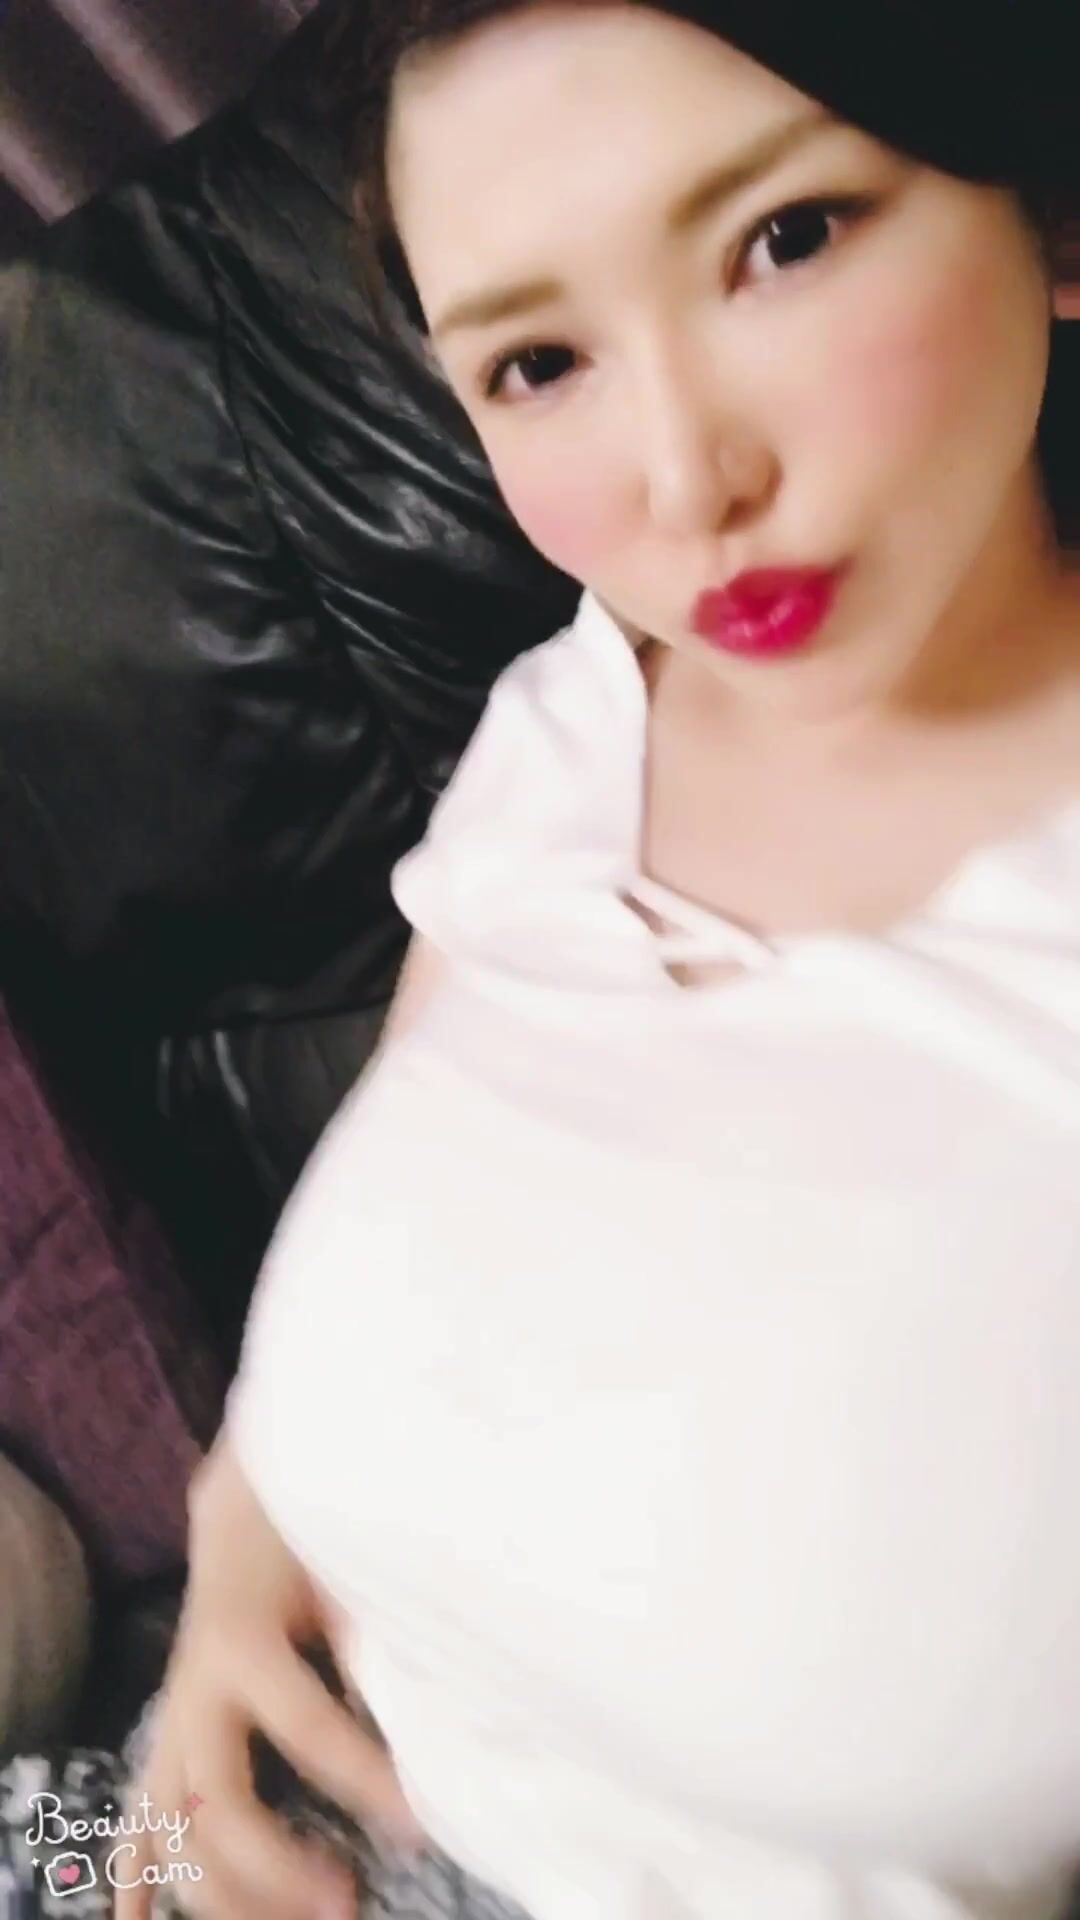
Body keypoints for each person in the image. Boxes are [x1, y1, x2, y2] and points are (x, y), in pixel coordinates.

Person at [119, 3, 1080, 1918]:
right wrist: (226, 1584)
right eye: (540, 361)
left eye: (786, 240)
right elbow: (394, 1218)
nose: (685, 479)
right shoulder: (573, 718)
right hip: (185, 1817)